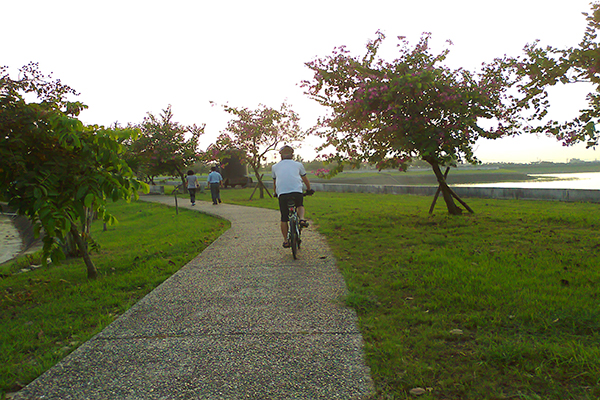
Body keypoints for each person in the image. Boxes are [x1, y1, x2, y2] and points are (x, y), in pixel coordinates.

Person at [272, 145, 313, 248]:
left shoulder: (275, 167)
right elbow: (305, 179)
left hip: (282, 194)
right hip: (296, 191)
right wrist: (309, 189)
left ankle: (286, 240)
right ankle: (302, 219)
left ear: (281, 155)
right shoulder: (298, 165)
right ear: (292, 155)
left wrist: (275, 193)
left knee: (284, 218)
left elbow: (275, 182)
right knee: (300, 205)